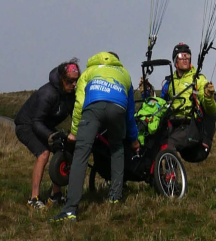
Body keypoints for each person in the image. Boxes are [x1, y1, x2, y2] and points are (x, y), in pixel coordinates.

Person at [51, 51, 139, 223]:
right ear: (116, 62)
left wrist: (74, 131)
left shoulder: (88, 72)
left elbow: (79, 103)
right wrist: (134, 139)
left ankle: (70, 210)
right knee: (117, 148)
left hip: (93, 108)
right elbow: (130, 113)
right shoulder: (125, 74)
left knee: (81, 154)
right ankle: (115, 196)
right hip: (118, 108)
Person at [15, 60, 80, 209]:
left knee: (63, 149)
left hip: (44, 125)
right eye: (70, 81)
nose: (74, 84)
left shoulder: (70, 94)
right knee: (43, 153)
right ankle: (34, 199)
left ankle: (55, 195)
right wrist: (52, 136)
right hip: (26, 125)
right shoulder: (47, 93)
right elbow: (36, 121)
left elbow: (74, 116)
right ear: (62, 78)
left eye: (76, 80)